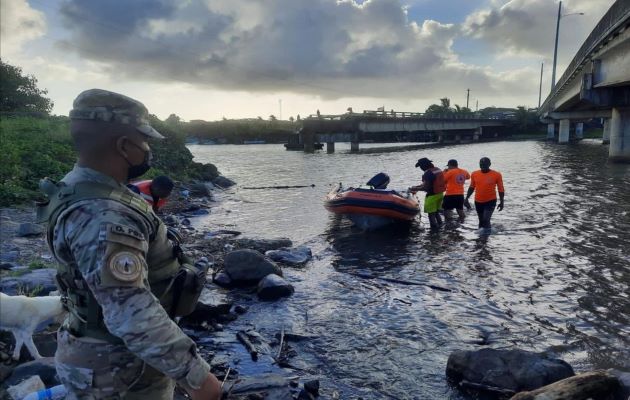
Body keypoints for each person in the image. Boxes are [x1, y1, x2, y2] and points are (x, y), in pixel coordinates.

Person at [36, 89, 221, 400]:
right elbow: (130, 310)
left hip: (100, 357)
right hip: (118, 371)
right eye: (144, 142)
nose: (147, 150)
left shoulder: (79, 188)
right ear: (124, 146)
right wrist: (197, 377)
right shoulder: (104, 214)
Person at [464, 157, 505, 230]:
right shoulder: (474, 174)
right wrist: (466, 198)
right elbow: (472, 187)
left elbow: (501, 189)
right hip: (478, 201)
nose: (482, 166)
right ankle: (481, 238)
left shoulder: (496, 174)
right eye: (481, 164)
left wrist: (502, 202)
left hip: (490, 200)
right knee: (481, 220)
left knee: (486, 219)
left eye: (485, 164)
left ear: (489, 164)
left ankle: (486, 237)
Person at [409, 157, 446, 229]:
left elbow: (426, 187)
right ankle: (441, 227)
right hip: (440, 194)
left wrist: (414, 189)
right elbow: (429, 183)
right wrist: (417, 187)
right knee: (436, 213)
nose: (420, 168)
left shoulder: (428, 173)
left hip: (432, 196)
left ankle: (434, 231)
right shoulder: (437, 170)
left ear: (424, 166)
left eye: (420, 166)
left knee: (431, 215)